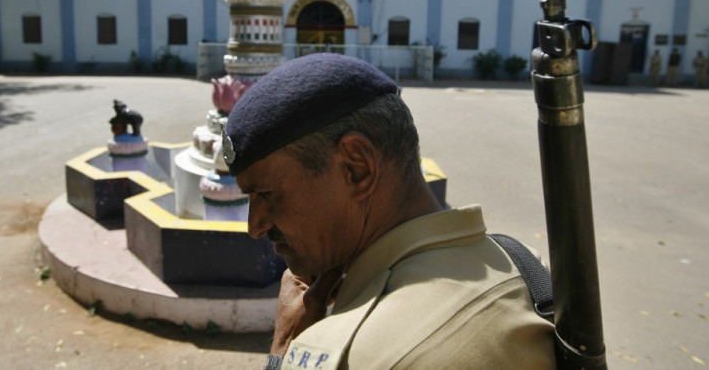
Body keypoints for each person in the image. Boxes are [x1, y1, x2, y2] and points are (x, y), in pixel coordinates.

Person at [223, 53, 555, 369]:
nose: (256, 226)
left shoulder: (347, 353)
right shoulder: (524, 266)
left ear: (357, 168)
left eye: (267, 194)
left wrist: (285, 349)